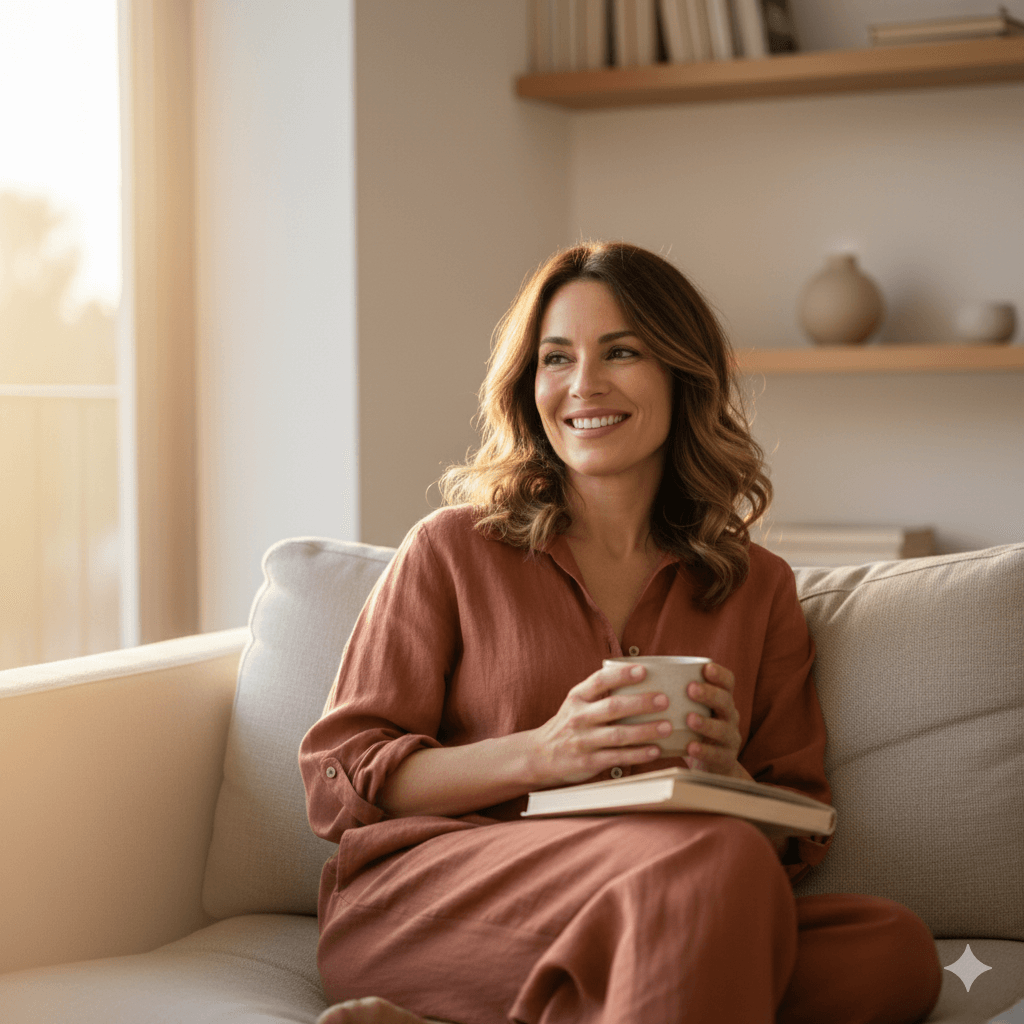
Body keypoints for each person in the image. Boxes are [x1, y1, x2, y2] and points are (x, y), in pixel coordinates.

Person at [299, 242, 943, 1024]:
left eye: (622, 352)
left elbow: (792, 823)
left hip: (673, 889)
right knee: (717, 863)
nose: (583, 385)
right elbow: (339, 779)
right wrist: (547, 752)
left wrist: (726, 779)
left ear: (682, 374)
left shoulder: (757, 586)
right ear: (528, 383)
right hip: (444, 898)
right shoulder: (451, 549)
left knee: (891, 951)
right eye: (556, 358)